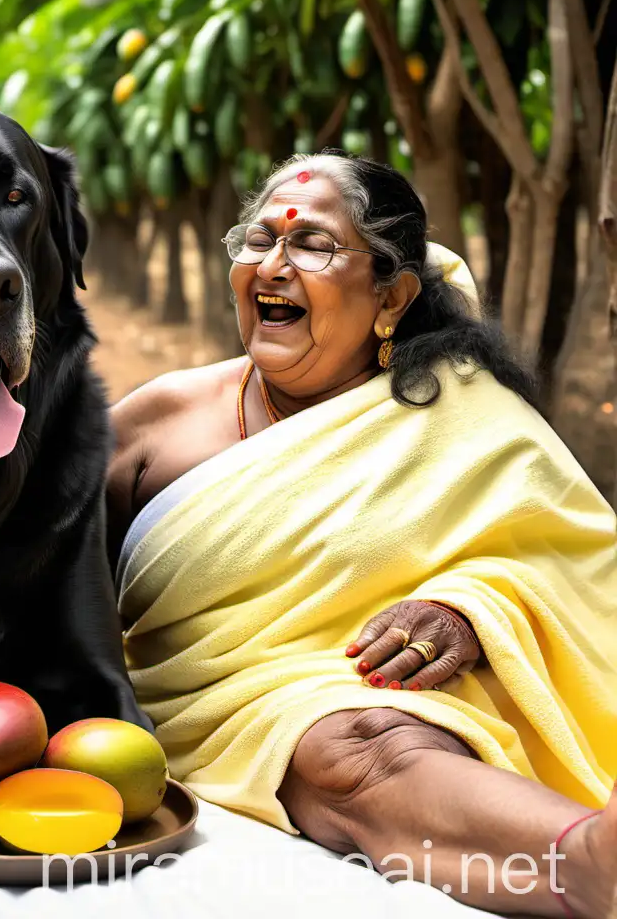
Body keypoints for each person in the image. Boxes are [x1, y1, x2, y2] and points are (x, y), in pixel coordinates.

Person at [105, 149, 616, 918]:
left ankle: (584, 858)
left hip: (421, 697)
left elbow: (577, 557)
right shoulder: (159, 420)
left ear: (392, 295)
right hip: (225, 712)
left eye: (312, 244)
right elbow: (34, 560)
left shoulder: (462, 416)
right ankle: (582, 868)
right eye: (258, 240)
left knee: (399, 731)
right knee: (353, 748)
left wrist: (474, 611)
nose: (273, 266)